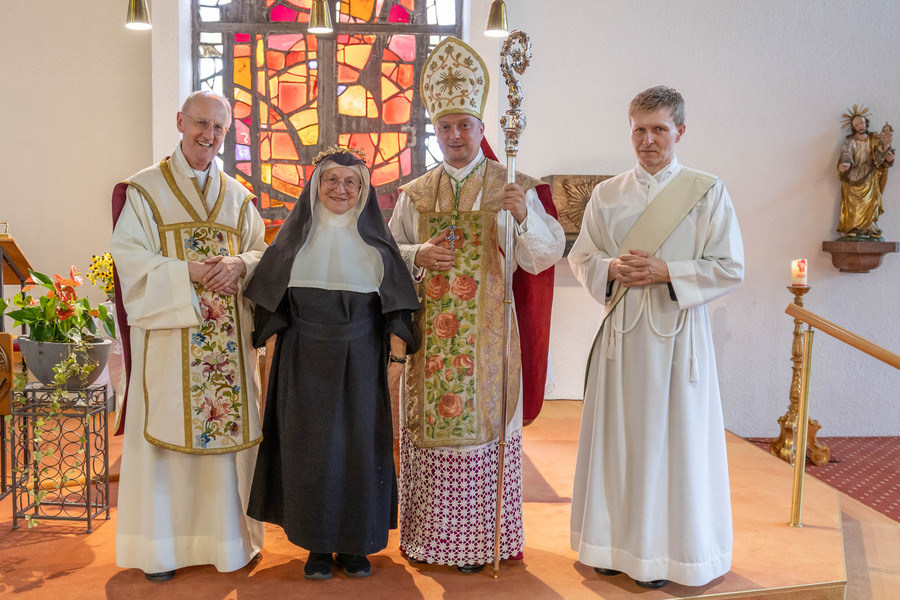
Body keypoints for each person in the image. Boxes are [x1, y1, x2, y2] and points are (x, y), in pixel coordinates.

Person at [388, 37, 565, 572]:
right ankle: (428, 539)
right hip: (429, 341)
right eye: (445, 127)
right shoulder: (415, 194)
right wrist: (418, 254)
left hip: (487, 338)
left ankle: (481, 542)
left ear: (481, 129)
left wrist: (524, 216)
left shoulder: (513, 186)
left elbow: (542, 257)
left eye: (464, 125)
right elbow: (387, 257)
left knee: (480, 435)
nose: (455, 135)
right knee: (432, 435)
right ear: (435, 131)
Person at [568, 86, 744, 589]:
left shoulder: (707, 191)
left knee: (672, 444)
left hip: (677, 338)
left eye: (659, 130)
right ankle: (609, 545)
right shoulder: (608, 194)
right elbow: (583, 257)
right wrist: (610, 268)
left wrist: (669, 271)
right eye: (639, 130)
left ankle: (666, 556)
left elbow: (730, 266)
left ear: (680, 131)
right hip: (622, 339)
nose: (648, 140)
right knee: (618, 440)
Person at [243, 147, 420, 580]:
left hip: (362, 361)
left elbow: (398, 308)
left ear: (363, 190)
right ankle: (317, 545)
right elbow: (270, 303)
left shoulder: (378, 246)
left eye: (351, 182)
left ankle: (356, 546)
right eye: (331, 180)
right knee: (311, 452)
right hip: (302, 362)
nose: (340, 189)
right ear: (316, 185)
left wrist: (396, 359)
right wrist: (270, 352)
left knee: (359, 451)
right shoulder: (293, 242)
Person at [110, 91, 266, 581]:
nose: (209, 135)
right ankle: (163, 549)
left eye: (219, 128)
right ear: (180, 122)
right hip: (169, 344)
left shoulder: (239, 197)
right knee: (166, 444)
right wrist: (191, 273)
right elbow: (129, 260)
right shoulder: (145, 191)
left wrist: (240, 263)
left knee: (225, 450)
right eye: (201, 123)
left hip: (229, 349)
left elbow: (263, 254)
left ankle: (228, 544)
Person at [837, 106, 894, 238]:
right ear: (853, 127)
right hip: (853, 175)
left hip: (870, 174)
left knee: (871, 201)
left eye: (862, 123)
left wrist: (888, 159)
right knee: (852, 203)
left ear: (866, 123)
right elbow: (846, 153)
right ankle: (854, 227)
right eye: (857, 125)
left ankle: (870, 225)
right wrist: (846, 164)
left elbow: (880, 156)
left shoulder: (874, 139)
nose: (860, 126)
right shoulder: (849, 140)